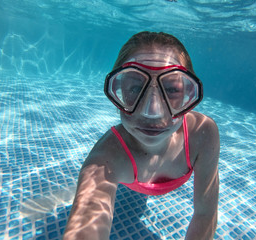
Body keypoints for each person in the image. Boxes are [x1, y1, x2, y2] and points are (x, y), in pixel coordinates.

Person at [63, 31, 220, 240]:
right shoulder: (105, 160)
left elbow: (205, 213)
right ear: (117, 91)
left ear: (188, 95)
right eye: (136, 88)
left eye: (172, 89)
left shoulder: (203, 133)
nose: (152, 111)